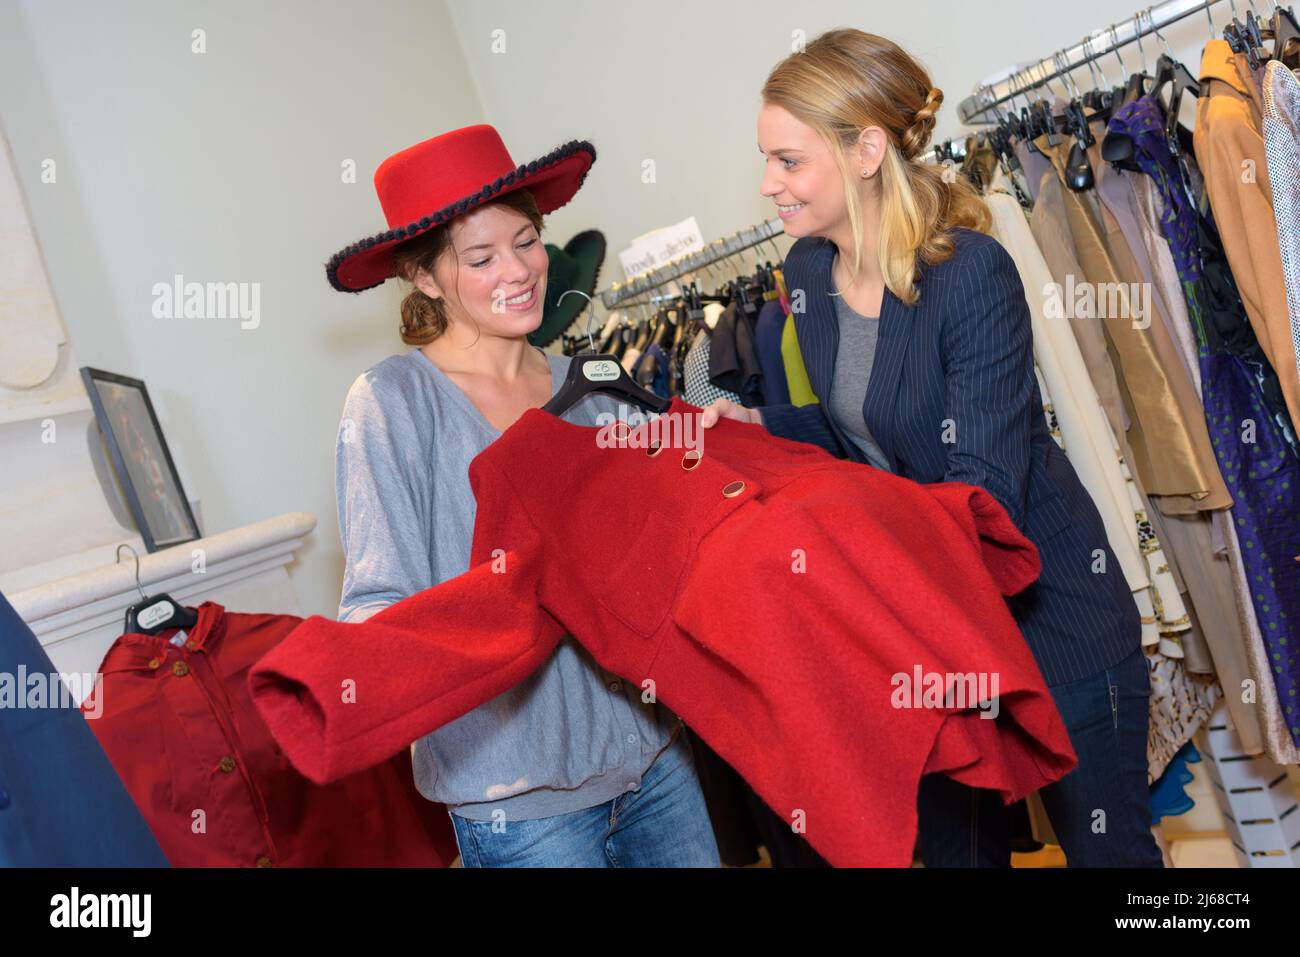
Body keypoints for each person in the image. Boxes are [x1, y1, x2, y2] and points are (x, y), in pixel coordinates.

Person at [702, 29, 1162, 867]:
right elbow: (860, 436)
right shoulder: (808, 273)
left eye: (789, 161)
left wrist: (849, 568)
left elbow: (983, 494)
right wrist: (751, 430)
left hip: (1050, 620)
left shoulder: (973, 274)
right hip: (934, 642)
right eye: (766, 160)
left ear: (867, 150)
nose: (768, 184)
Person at [325, 124, 719, 868]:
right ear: (426, 277)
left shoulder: (594, 384)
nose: (518, 269)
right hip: (518, 806)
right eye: (480, 257)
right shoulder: (391, 403)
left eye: (527, 240)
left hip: (656, 761)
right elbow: (379, 600)